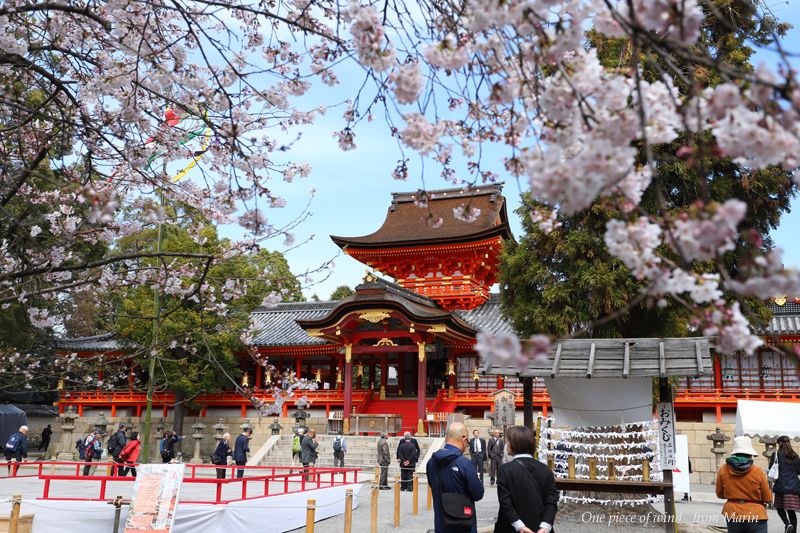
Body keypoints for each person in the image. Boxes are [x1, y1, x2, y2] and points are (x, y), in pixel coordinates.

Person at [494, 425, 559, 533]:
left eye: (507, 442)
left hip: (510, 527)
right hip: (539, 526)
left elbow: (505, 502)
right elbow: (552, 501)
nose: (506, 445)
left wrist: (520, 526)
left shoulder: (505, 470)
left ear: (512, 445)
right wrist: (545, 526)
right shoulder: (545, 469)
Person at [427, 422, 485, 533]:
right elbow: (478, 494)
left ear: (446, 438)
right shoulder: (465, 464)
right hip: (464, 525)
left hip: (440, 524)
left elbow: (431, 485)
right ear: (464, 439)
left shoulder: (431, 462)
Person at [716, 435, 772, 533]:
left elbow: (720, 494)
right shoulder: (757, 471)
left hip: (733, 513)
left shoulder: (723, 469)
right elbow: (767, 498)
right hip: (756, 514)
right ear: (750, 454)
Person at [770, 435, 800, 533]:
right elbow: (799, 471)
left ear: (780, 443)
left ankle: (787, 524)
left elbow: (772, 468)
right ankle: (793, 530)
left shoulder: (776, 454)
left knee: (779, 508)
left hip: (781, 487)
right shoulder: (795, 455)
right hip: (794, 487)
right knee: (791, 511)